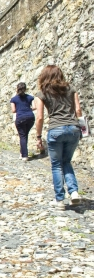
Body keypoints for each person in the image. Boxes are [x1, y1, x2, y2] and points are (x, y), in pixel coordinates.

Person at [34, 65, 83, 209]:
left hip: (56, 129)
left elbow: (40, 117)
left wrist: (38, 137)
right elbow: (78, 110)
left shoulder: (41, 93)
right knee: (67, 161)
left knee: (56, 165)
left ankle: (60, 200)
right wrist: (81, 129)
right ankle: (74, 193)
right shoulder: (71, 89)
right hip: (73, 128)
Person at [10, 82, 35, 161]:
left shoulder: (13, 99)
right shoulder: (30, 97)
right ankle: (22, 152)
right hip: (30, 117)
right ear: (25, 89)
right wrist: (27, 109)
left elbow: (13, 110)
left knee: (22, 136)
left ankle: (24, 155)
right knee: (25, 135)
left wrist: (21, 109)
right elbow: (34, 107)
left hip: (20, 118)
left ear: (17, 89)